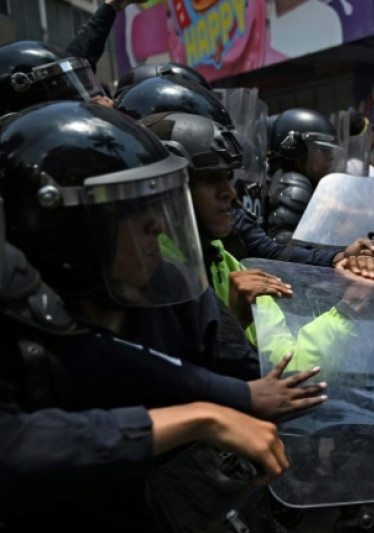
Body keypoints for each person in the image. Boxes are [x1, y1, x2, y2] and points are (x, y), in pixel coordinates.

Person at [0, 101, 321, 528]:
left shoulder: (163, 283)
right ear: (67, 232)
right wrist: (200, 416)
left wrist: (238, 396)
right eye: (131, 210)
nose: (159, 226)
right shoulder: (17, 296)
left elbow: (99, 355)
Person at [265, 107, 347, 241]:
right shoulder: (295, 185)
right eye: (323, 150)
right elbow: (284, 246)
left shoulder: (312, 184)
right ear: (298, 151)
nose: (331, 157)